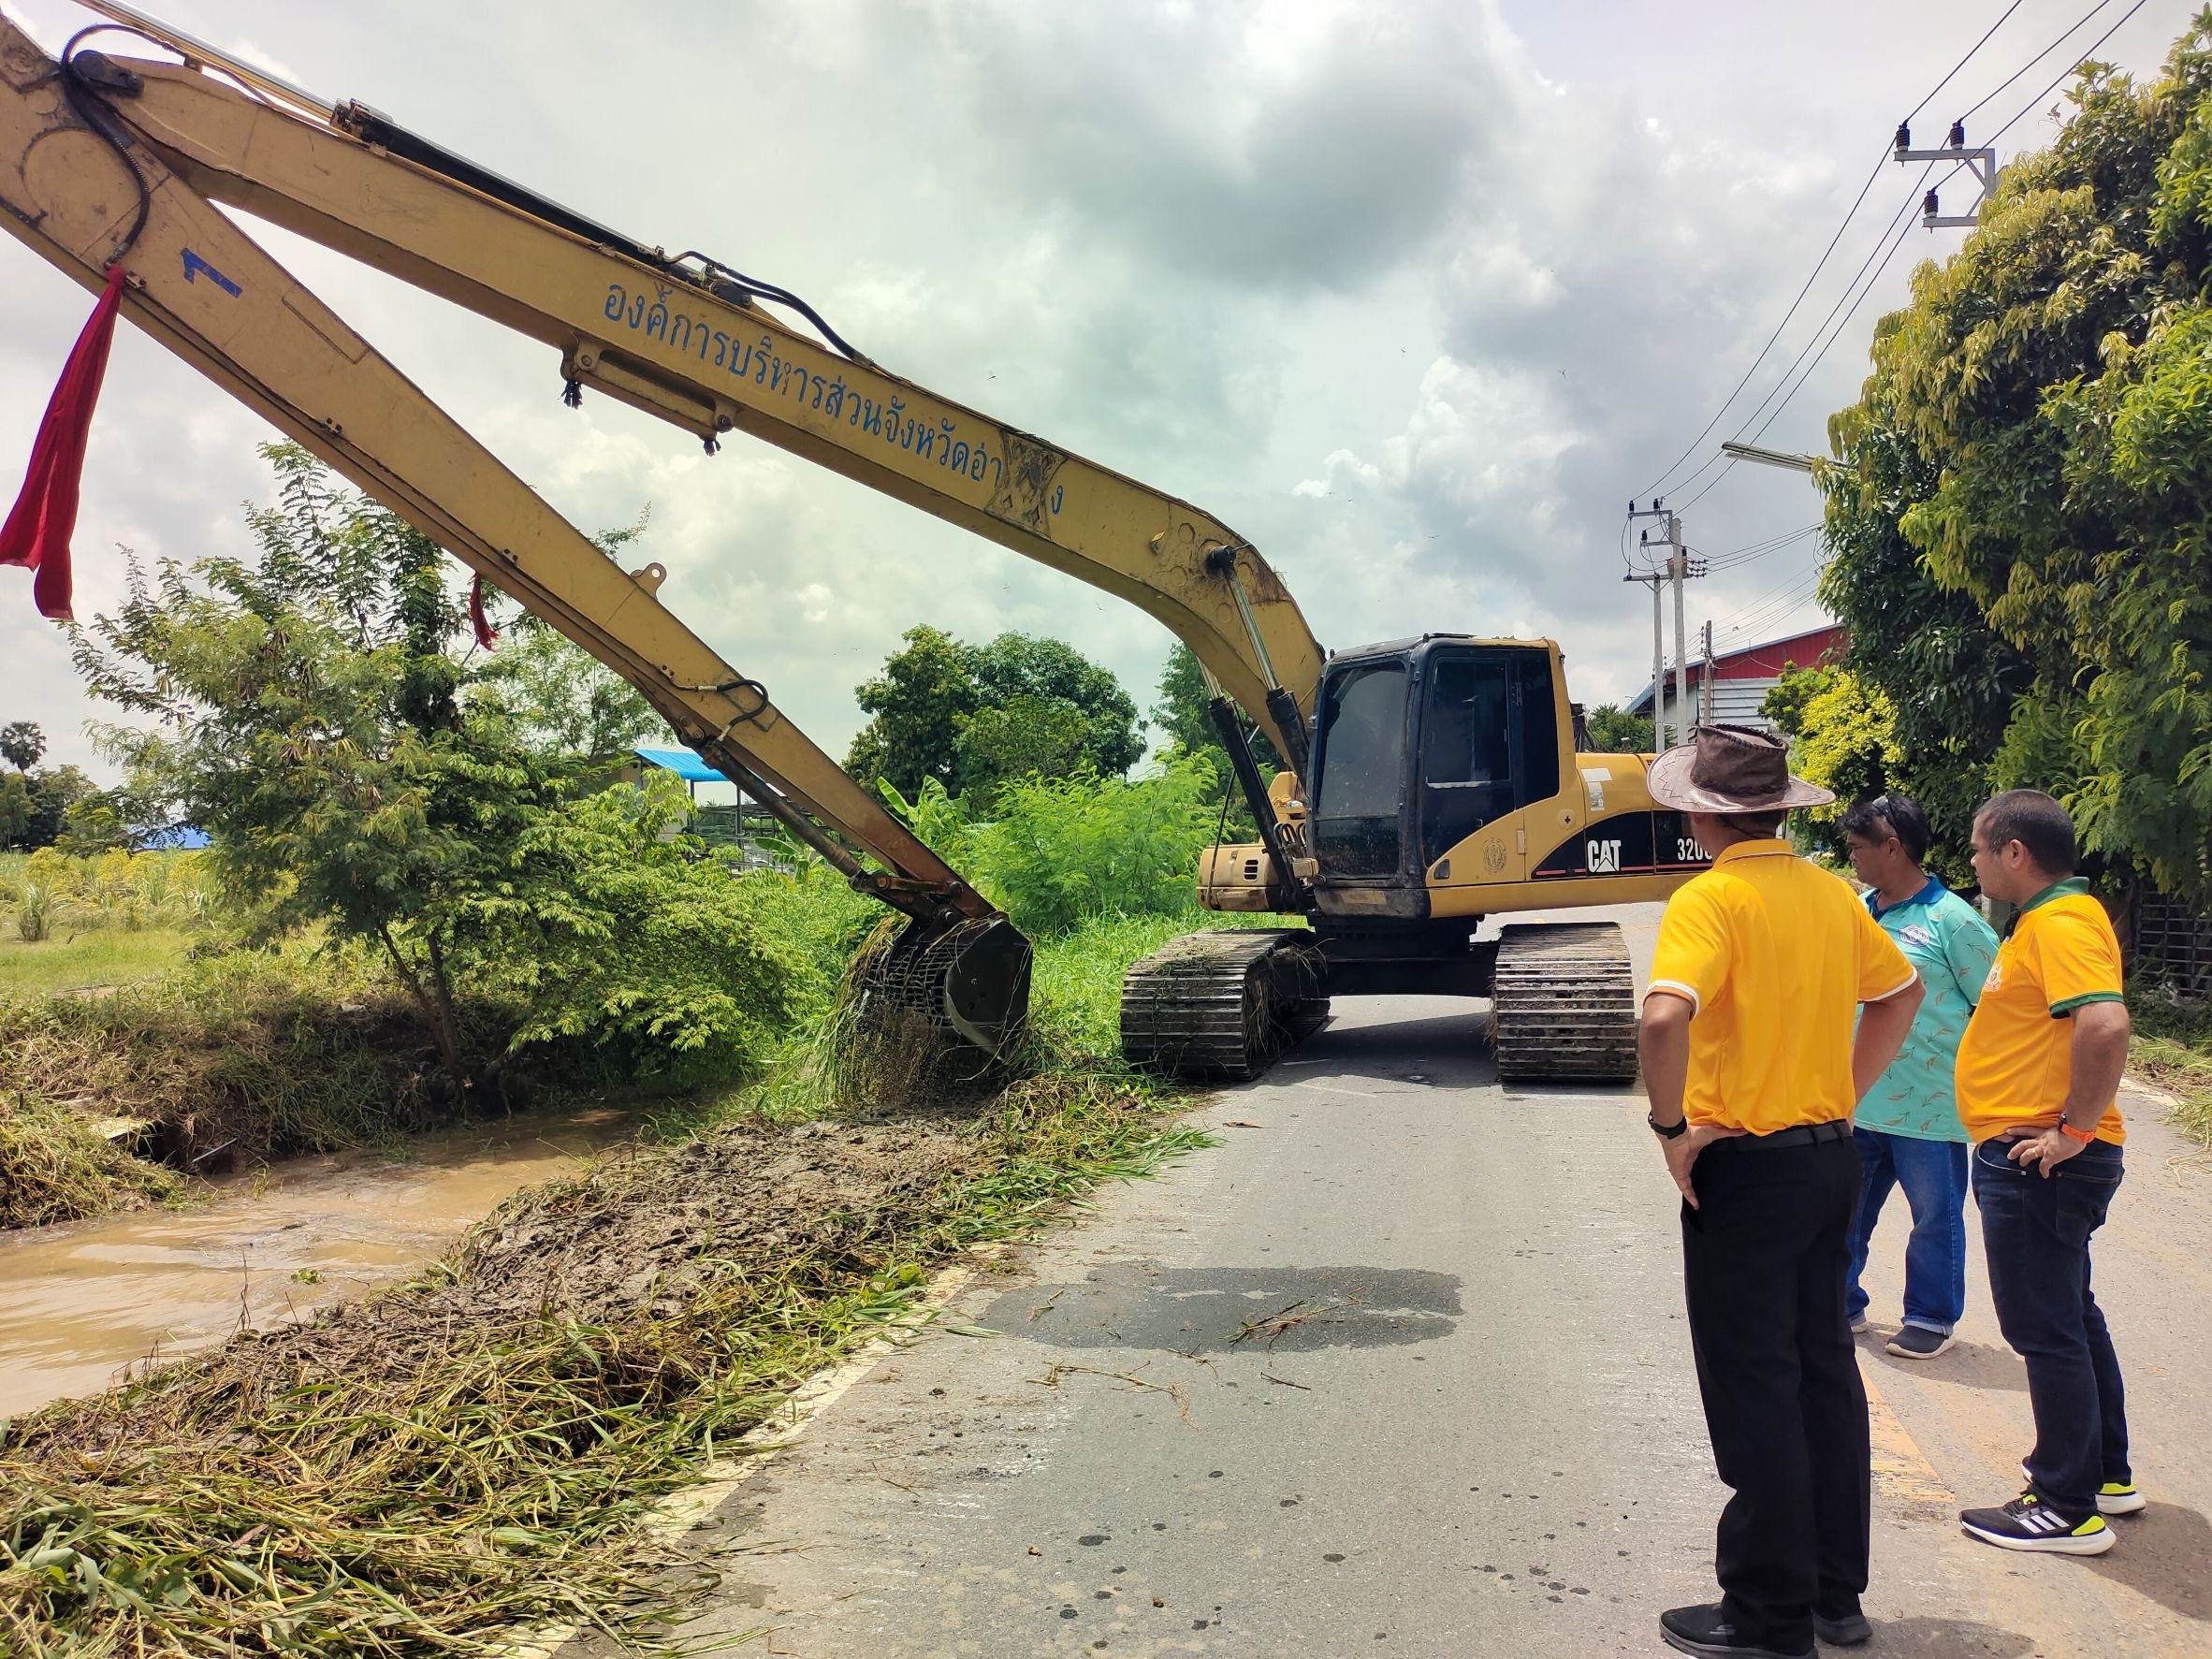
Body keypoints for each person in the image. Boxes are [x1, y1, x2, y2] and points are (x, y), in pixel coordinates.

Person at [1639, 725, 1924, 1659]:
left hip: (1747, 1169)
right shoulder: (1833, 896)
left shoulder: (1711, 899)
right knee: (1821, 1372)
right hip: (1830, 1154)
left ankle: (1766, 1614)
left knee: (1754, 1380)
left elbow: (1663, 1015)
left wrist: (1672, 1130)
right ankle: (1833, 1596)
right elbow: (1899, 995)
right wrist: (1844, 1092)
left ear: (1700, 813)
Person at [1953, 789, 2138, 1555]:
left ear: (2015, 853)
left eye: (1978, 847)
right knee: (2071, 1314)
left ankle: (2064, 1504)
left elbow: (2105, 1023)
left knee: (2046, 1326)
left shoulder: (2059, 924)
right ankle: (2105, 1475)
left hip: (2040, 1158)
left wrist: (2074, 1131)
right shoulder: (2054, 920)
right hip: (2042, 1153)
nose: (1972, 859)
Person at [1840, 793, 1999, 1361]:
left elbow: (1998, 1007)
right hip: (1859, 1097)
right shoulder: (1858, 912)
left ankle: (1930, 1316)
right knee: (1845, 1210)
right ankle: (1843, 1302)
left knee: (1934, 1216)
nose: (1851, 855)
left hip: (1930, 1106)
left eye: (1860, 847)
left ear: (1894, 846)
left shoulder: (1952, 920)